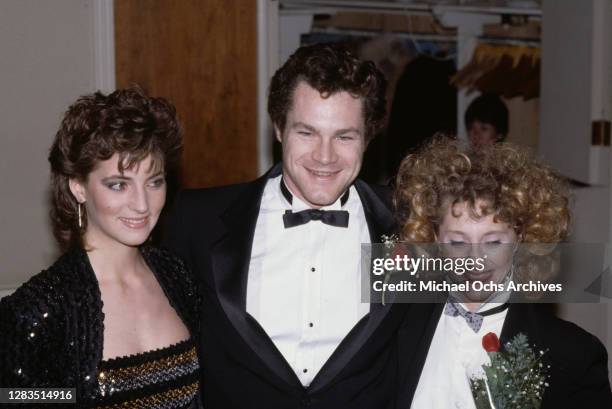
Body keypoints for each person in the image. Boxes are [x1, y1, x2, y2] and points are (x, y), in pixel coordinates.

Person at [162, 43, 427, 408]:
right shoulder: (198, 219)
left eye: (344, 136)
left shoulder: (408, 223)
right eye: (307, 133)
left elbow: (513, 283)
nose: (324, 156)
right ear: (278, 128)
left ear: (367, 138)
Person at [0, 88, 202, 408]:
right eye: (118, 184)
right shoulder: (39, 308)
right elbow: (11, 397)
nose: (141, 204)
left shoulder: (177, 275)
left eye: (154, 181)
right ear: (78, 186)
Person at [394, 138, 612, 408]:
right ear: (435, 238)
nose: (475, 260)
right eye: (458, 242)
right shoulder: (395, 326)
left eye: (493, 242)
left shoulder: (573, 356)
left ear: (521, 238)